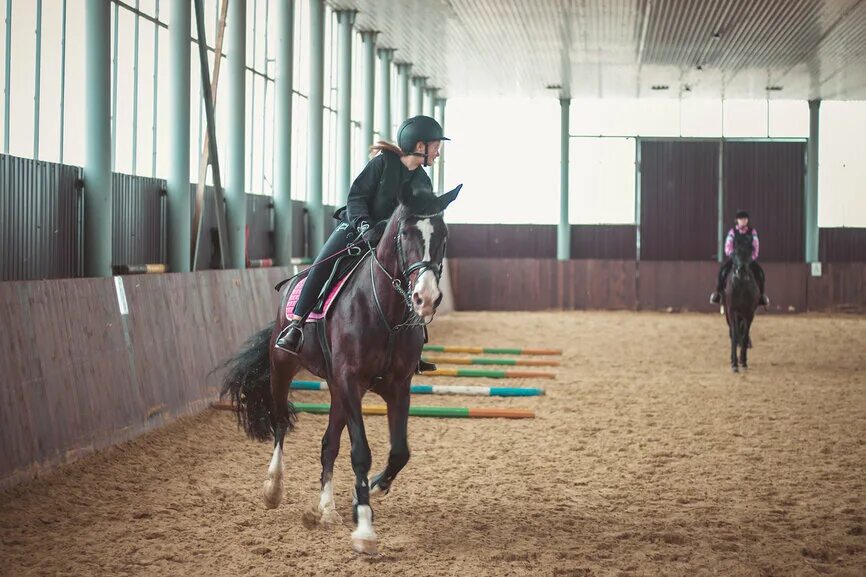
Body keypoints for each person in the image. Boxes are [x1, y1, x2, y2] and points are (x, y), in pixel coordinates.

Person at [275, 115, 448, 356]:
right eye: (436, 147)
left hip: (392, 241)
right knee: (321, 266)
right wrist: (365, 226)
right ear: (420, 146)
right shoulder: (382, 164)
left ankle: (410, 347)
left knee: (413, 278)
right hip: (356, 229)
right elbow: (356, 197)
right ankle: (296, 326)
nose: (437, 153)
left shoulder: (422, 181)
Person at [710, 210, 770, 306]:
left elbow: (756, 245)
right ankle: (718, 294)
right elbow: (728, 246)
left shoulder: (752, 232)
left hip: (748, 259)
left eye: (745, 219)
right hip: (736, 259)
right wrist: (733, 256)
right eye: (741, 219)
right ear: (737, 220)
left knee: (760, 273)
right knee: (723, 271)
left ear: (747, 221)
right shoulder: (732, 232)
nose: (743, 221)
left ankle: (762, 296)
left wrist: (752, 257)